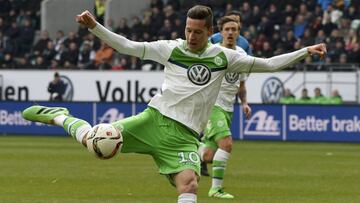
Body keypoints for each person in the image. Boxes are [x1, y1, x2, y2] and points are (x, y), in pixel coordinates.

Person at [22, 6, 326, 203]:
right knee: (95, 145)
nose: (191, 36)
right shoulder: (171, 49)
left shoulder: (225, 57)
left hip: (183, 136)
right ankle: (60, 116)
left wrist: (305, 51)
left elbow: (270, 64)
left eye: (198, 31)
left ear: (210, 32)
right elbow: (127, 46)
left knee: (189, 184)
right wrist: (94, 26)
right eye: (188, 30)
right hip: (153, 120)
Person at [198, 15, 252, 199]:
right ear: (220, 32)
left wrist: (244, 103)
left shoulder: (242, 56)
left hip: (228, 108)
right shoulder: (211, 51)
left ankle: (190, 147)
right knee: (227, 144)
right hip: (212, 106)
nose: (230, 32)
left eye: (233, 29)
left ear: (238, 33)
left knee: (208, 157)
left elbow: (242, 85)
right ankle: (215, 189)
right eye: (227, 29)